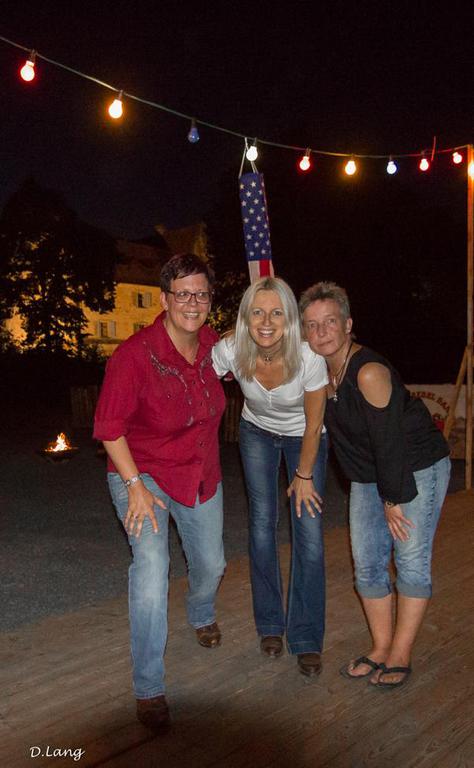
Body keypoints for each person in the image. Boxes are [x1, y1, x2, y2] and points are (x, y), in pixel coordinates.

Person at [93, 254, 226, 732]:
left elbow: (260, 363)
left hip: (198, 470)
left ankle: (201, 611)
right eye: (183, 293)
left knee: (212, 564)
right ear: (166, 299)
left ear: (210, 300)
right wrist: (134, 487)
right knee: (152, 567)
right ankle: (149, 686)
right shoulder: (134, 355)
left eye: (201, 293)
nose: (193, 302)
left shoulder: (214, 347)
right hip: (141, 471)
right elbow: (109, 429)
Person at [300, 281, 450, 689]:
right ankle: (381, 647)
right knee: (366, 563)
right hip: (371, 473)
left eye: (330, 321)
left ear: (348, 324)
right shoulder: (320, 373)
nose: (321, 331)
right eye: (312, 325)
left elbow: (389, 442)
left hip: (415, 466)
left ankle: (400, 652)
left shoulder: (367, 372)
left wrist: (392, 498)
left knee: (410, 558)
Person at [212, 276, 328, 677]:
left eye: (276, 313)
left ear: (290, 318)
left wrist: (304, 474)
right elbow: (194, 375)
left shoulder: (309, 356)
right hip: (256, 433)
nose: (266, 322)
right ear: (245, 317)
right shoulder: (231, 349)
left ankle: (306, 637)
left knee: (308, 531)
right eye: (257, 312)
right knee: (262, 525)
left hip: (305, 438)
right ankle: (270, 626)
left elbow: (314, 424)